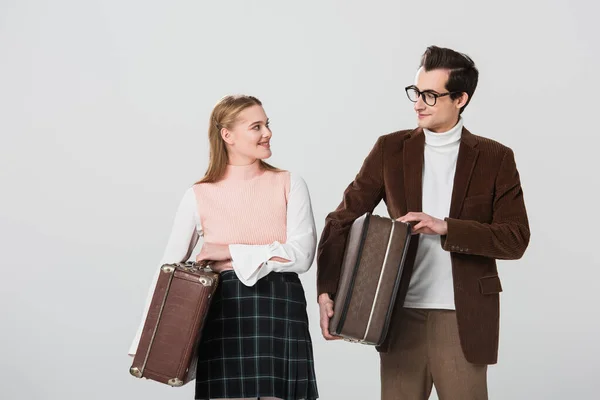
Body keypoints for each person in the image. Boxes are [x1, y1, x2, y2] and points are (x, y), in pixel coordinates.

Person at [316, 46, 530, 399]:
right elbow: (342, 219)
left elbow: (515, 238)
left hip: (461, 316)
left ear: (460, 98)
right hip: (398, 313)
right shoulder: (390, 149)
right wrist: (327, 288)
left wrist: (446, 226)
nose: (418, 103)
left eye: (431, 95)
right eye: (416, 92)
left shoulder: (495, 157)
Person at [129, 95, 319, 400]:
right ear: (227, 135)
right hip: (224, 310)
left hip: (281, 306)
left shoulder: (290, 182)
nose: (267, 133)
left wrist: (229, 250)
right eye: (256, 126)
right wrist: (147, 343)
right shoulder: (198, 194)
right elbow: (168, 271)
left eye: (267, 124)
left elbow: (303, 254)